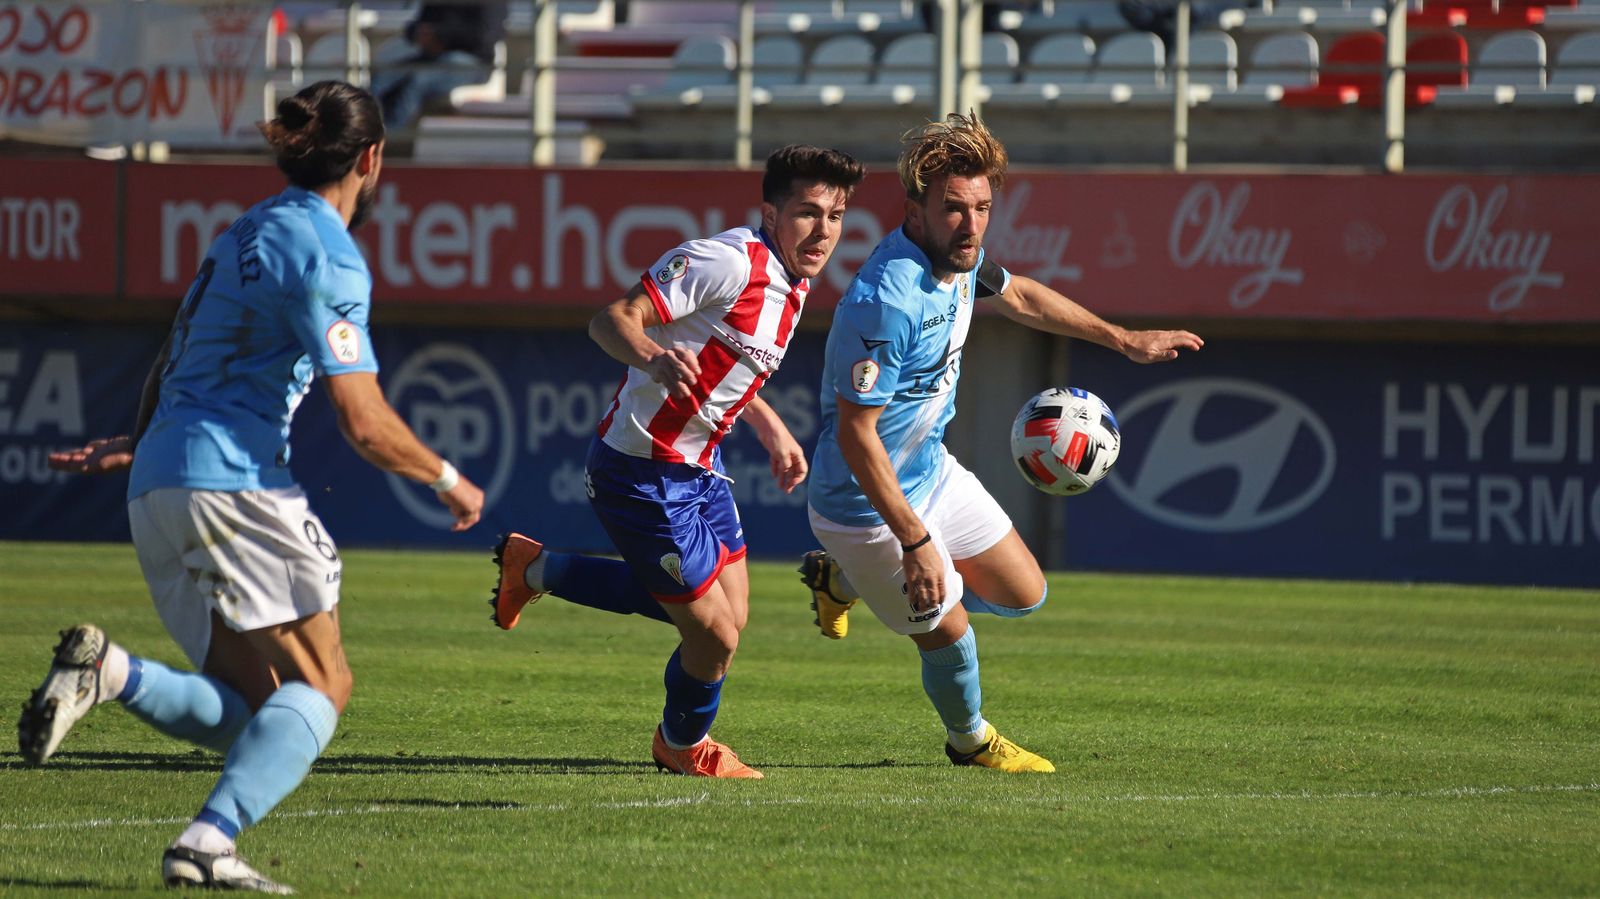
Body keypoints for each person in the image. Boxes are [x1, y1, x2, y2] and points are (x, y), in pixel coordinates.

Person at [17, 81, 484, 893]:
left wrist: (143, 440)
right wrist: (447, 477)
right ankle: (206, 840)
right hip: (232, 482)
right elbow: (363, 418)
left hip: (157, 486)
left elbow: (175, 351)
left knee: (253, 706)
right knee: (323, 685)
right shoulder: (328, 250)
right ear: (372, 159)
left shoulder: (240, 232)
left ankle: (109, 673)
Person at [799, 113, 1202, 772]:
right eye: (954, 209)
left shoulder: (960, 257)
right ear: (915, 210)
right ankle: (971, 741)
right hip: (862, 502)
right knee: (949, 627)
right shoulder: (884, 300)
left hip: (930, 471)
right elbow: (854, 434)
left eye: (982, 207)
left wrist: (1123, 339)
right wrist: (917, 542)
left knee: (1025, 592)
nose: (972, 224)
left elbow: (1022, 299)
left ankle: (843, 583)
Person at [490, 145, 866, 779]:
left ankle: (537, 569)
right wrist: (650, 356)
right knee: (713, 635)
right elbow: (610, 321)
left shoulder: (793, 286)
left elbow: (727, 368)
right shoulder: (725, 261)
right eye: (807, 213)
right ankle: (681, 744)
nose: (823, 230)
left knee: (731, 617)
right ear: (770, 213)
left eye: (835, 216)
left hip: (700, 469)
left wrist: (772, 429)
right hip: (639, 471)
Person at [370, 1, 508, 129]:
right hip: (431, 58)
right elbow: (419, 24)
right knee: (382, 78)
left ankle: (386, 142)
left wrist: (440, 35)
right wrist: (418, 32)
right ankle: (361, 137)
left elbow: (486, 35)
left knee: (417, 81)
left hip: (473, 63)